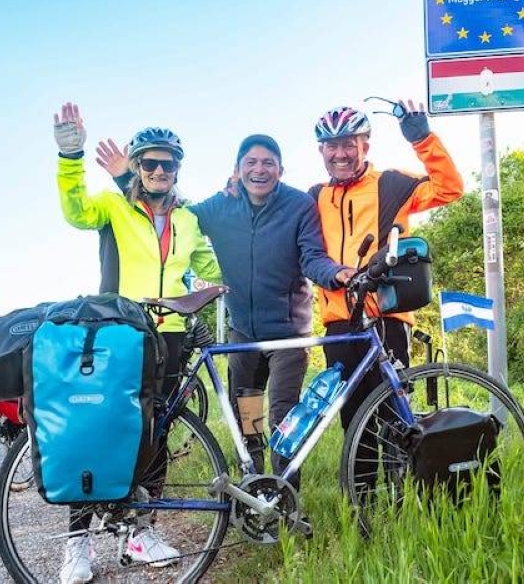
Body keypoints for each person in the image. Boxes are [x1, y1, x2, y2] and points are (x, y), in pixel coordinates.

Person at [97, 133, 353, 490]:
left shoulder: (298, 205)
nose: (259, 170)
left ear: (281, 169)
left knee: (283, 417)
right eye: (251, 162)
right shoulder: (218, 207)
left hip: (288, 333)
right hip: (243, 334)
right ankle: (254, 488)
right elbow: (171, 211)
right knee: (246, 416)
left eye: (268, 163)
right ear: (237, 170)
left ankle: (284, 494)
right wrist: (127, 179)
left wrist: (337, 275)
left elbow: (312, 258)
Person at [53, 102, 222, 584]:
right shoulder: (114, 206)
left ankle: (141, 531)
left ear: (177, 170)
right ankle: (76, 544)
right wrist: (71, 156)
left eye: (168, 163)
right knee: (100, 433)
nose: (160, 170)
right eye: (150, 162)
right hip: (120, 333)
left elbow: (210, 266)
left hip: (170, 335)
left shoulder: (188, 219)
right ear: (136, 166)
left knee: (157, 434)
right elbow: (75, 211)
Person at [309, 100, 463, 434]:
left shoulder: (391, 183)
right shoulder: (315, 196)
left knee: (395, 420)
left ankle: (398, 487)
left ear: (364, 145)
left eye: (349, 144)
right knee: (354, 423)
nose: (340, 154)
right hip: (339, 324)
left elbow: (450, 189)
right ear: (321, 150)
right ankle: (361, 489)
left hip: (387, 318)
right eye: (332, 146)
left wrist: (422, 139)